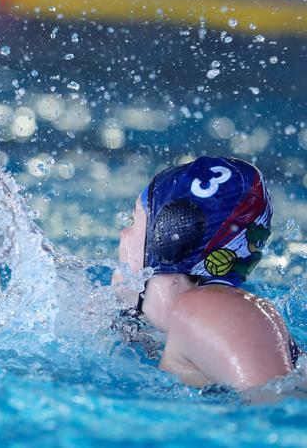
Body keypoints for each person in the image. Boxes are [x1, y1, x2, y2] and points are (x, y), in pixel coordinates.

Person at [112, 156, 299, 389]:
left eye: (133, 219)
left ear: (170, 236)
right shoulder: (174, 329)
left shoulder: (204, 308)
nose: (122, 234)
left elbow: (276, 409)